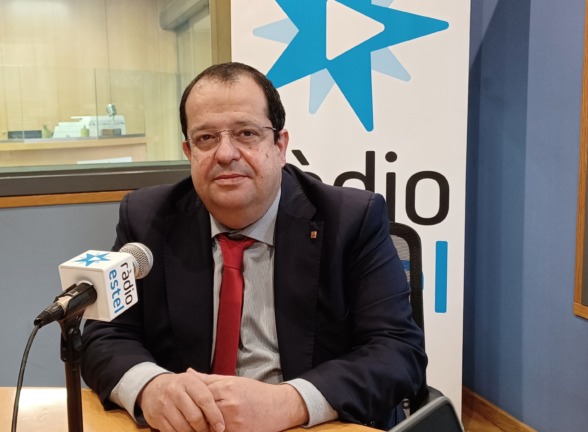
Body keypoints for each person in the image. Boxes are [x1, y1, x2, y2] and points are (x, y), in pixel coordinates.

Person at [81, 62, 427, 431]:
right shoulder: (147, 218)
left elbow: (397, 351)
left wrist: (291, 402)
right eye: (206, 138)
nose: (225, 153)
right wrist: (152, 387)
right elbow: (105, 335)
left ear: (280, 145)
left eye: (247, 133)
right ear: (189, 152)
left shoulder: (351, 220)